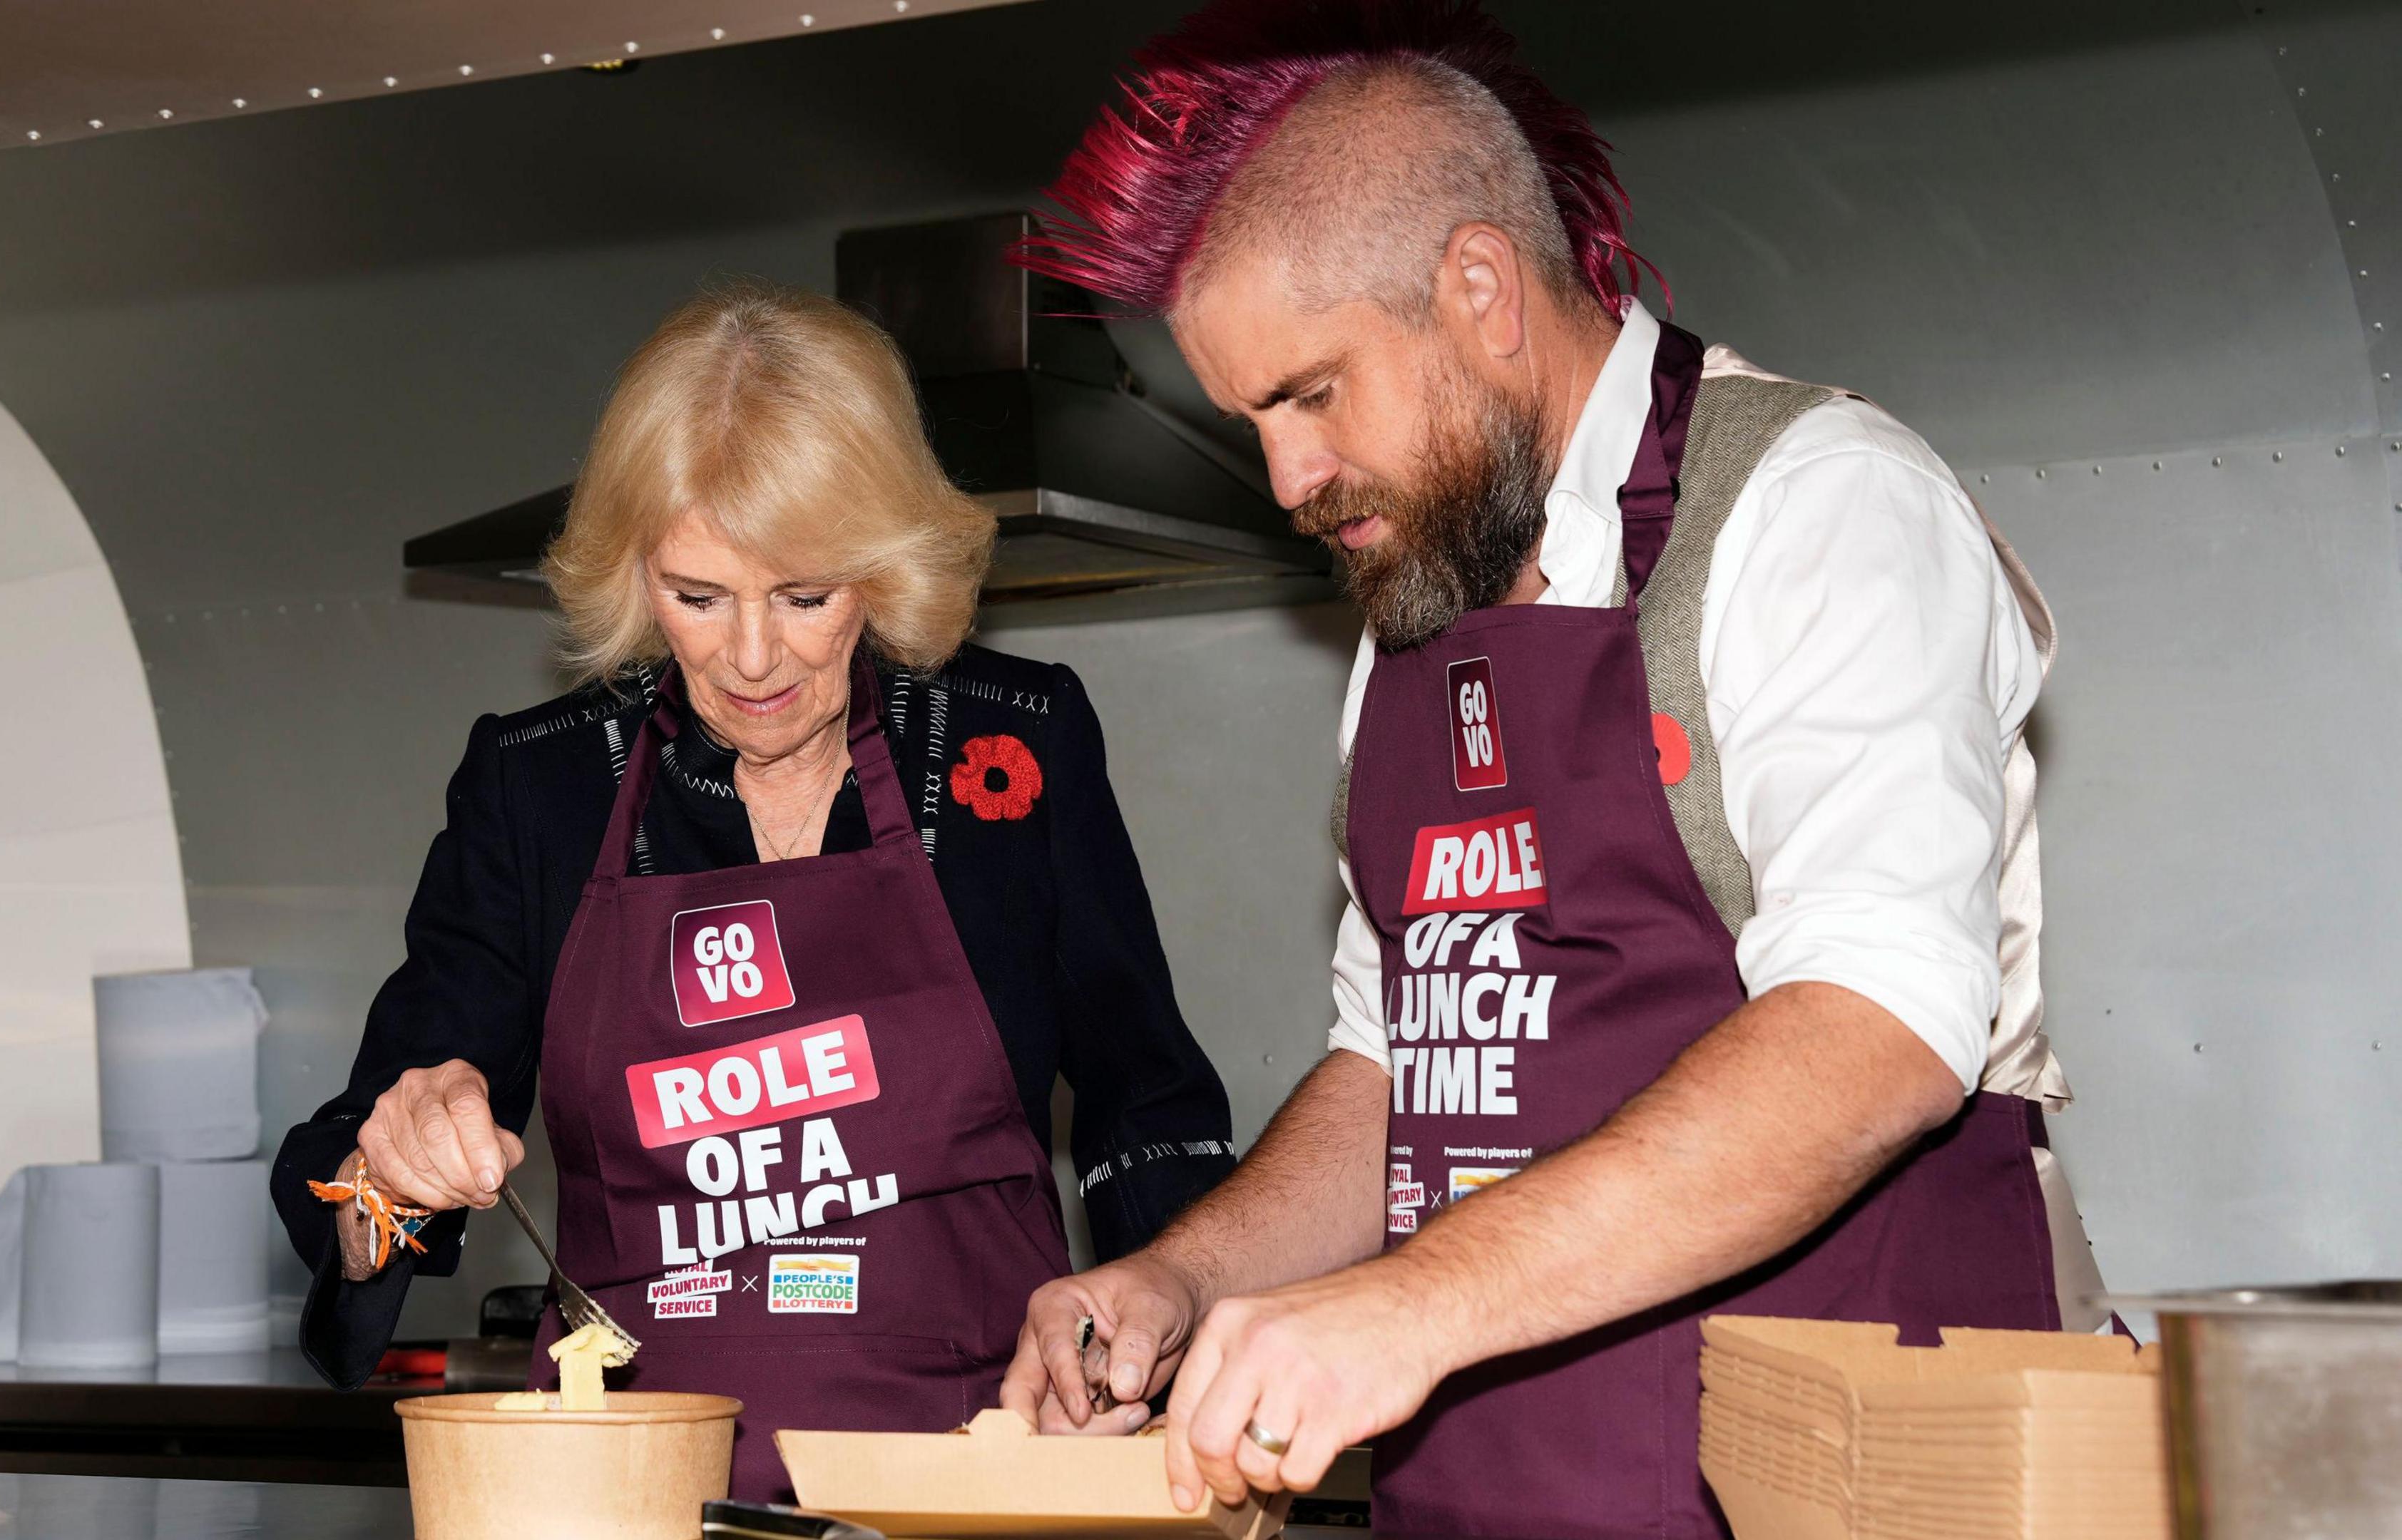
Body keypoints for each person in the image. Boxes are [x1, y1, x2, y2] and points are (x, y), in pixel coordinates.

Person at [998, 5, 2103, 1536]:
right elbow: (1404, 1060)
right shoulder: (1416, 615)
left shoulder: (1817, 505)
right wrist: (1186, 1275)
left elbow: (1882, 1026)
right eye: (1252, 420)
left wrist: (1406, 1311)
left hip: (1848, 1486)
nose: (1287, 482)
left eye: (1313, 395)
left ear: (1477, 287)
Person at [270, 282, 1237, 1499]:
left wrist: (1149, 1339)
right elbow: (358, 1180)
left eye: (805, 594)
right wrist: (394, 1172)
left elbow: (1144, 1104)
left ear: (884, 569)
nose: (751, 658)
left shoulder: (1013, 747)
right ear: (635, 576)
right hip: (637, 1502)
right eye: (698, 595)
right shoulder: (545, 790)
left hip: (979, 1494)